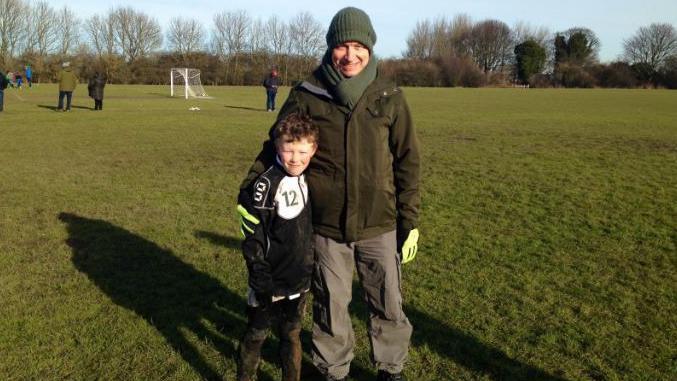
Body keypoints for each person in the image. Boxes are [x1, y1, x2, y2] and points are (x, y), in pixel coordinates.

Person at [238, 7, 420, 381]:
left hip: (379, 223)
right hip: (324, 224)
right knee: (331, 306)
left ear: (370, 48)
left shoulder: (389, 96)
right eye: (342, 46)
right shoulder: (308, 94)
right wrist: (251, 186)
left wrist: (410, 219)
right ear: (330, 48)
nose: (350, 55)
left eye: (358, 46)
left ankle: (390, 368)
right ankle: (332, 370)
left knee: (387, 302)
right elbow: (278, 143)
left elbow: (407, 161)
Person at [236, 113, 319, 381]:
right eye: (288, 150)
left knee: (291, 334)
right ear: (277, 147)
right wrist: (259, 274)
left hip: (299, 281)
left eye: (302, 151)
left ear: (313, 149)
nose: (295, 158)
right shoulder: (265, 185)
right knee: (257, 334)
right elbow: (253, 235)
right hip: (268, 280)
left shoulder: (312, 179)